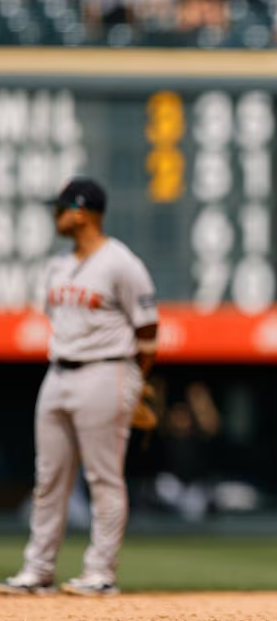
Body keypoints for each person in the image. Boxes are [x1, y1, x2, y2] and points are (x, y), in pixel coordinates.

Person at [0, 177, 159, 597]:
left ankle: (101, 572)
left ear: (82, 211)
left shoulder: (121, 263)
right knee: (47, 478)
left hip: (106, 371)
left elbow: (148, 330)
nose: (56, 216)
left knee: (103, 478)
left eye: (61, 208)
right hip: (57, 373)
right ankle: (39, 570)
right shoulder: (57, 266)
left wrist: (134, 379)